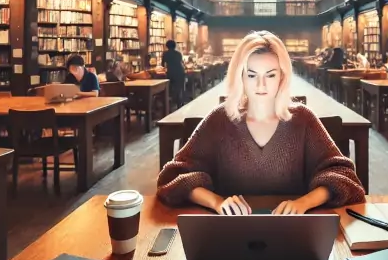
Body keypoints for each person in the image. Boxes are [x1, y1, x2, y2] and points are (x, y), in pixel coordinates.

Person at [156, 30, 365, 215]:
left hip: (293, 232)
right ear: (240, 77)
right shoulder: (219, 119)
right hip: (228, 233)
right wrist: (216, 202)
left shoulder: (304, 120)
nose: (261, 85)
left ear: (282, 77)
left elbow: (344, 176)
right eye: (252, 75)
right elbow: (173, 177)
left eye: (270, 75)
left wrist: (304, 203)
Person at [162, 39, 185, 108]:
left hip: (171, 72)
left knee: (171, 88)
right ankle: (180, 103)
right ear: (175, 46)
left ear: (167, 46)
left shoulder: (165, 54)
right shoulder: (178, 53)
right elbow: (181, 62)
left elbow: (162, 64)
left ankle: (171, 103)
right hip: (180, 71)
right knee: (180, 87)